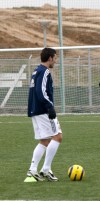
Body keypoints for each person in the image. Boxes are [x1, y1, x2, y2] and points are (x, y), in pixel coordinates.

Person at [26, 47, 62, 182]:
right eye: (55, 57)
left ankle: (33, 169)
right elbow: (41, 92)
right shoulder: (45, 71)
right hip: (43, 111)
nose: (56, 60)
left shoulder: (36, 70)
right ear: (50, 58)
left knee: (45, 140)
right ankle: (45, 169)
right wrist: (49, 107)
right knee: (57, 137)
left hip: (35, 110)